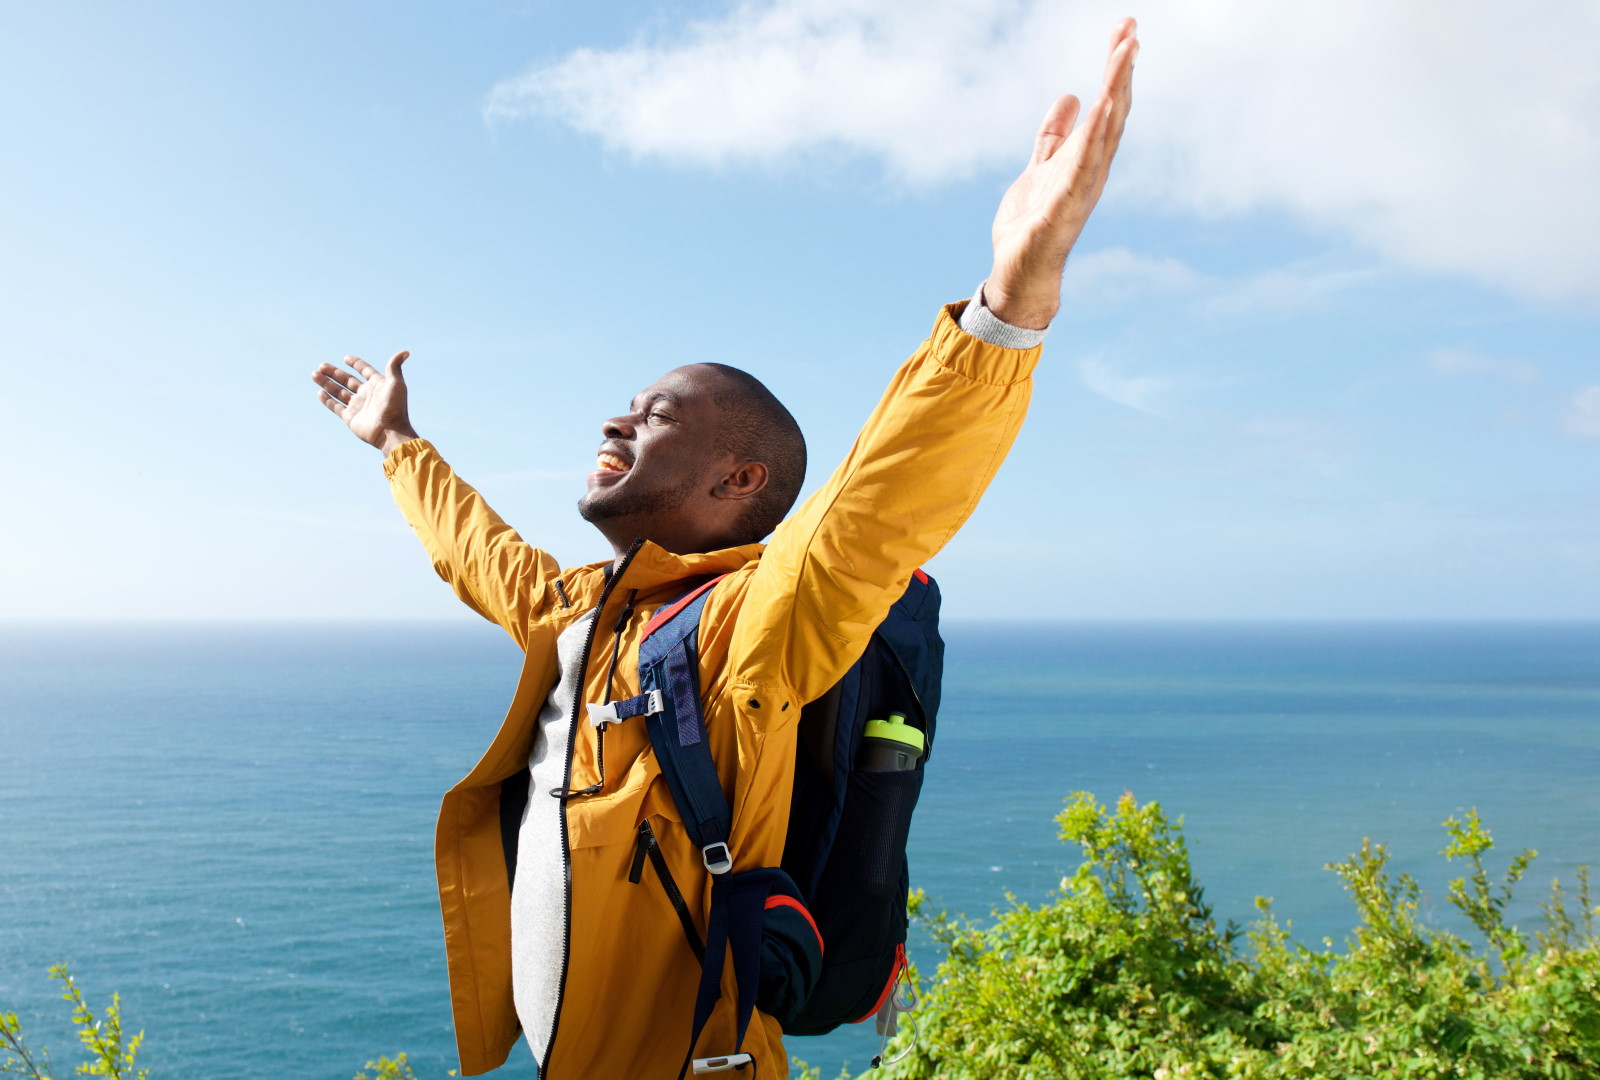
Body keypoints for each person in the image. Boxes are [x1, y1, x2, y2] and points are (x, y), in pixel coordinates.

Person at [312, 19, 1138, 1079]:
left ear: (738, 480)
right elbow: (479, 554)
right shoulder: (589, 611)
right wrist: (395, 443)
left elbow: (875, 510)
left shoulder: (759, 623)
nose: (614, 426)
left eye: (651, 416)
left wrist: (1006, 310)